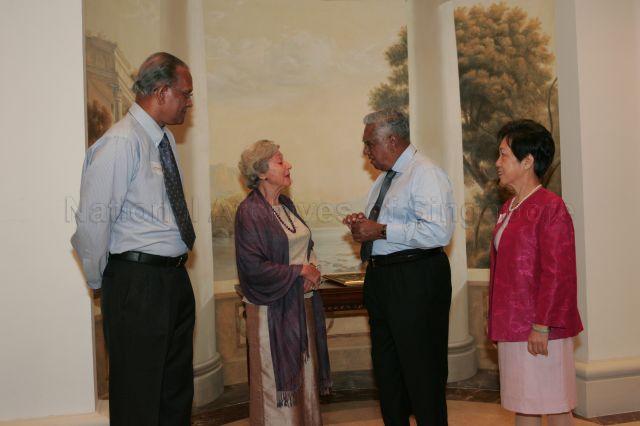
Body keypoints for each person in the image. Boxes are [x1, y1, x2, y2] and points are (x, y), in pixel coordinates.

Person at [71, 52, 196, 426]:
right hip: (137, 284)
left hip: (172, 279)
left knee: (174, 394)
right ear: (160, 91)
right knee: (138, 397)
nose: (189, 102)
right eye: (185, 94)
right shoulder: (121, 143)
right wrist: (103, 282)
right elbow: (93, 226)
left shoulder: (165, 140)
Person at [343, 110, 454, 425]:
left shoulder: (426, 173)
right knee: (388, 374)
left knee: (422, 374)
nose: (366, 152)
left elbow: (439, 232)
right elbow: (382, 227)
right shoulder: (383, 180)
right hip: (383, 279)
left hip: (415, 278)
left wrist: (379, 230)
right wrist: (362, 227)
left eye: (369, 144)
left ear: (391, 140)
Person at [489, 119, 583, 426]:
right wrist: (496, 321)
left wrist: (542, 325)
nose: (497, 163)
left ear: (527, 161)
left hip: (540, 329)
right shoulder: (509, 207)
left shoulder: (550, 206)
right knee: (524, 403)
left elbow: (558, 272)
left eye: (503, 154)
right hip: (513, 326)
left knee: (554, 404)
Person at [234, 140, 332, 425]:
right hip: (270, 312)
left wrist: (312, 270)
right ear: (262, 172)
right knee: (276, 386)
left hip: (301, 304)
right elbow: (253, 268)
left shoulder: (286, 204)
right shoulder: (249, 211)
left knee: (305, 378)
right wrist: (299, 272)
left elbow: (304, 244)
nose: (288, 165)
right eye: (280, 161)